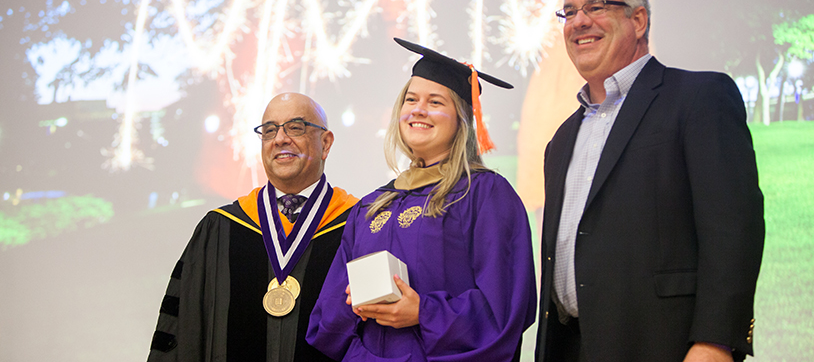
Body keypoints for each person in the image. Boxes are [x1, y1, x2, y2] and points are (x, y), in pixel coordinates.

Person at [535, 0, 765, 362]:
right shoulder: (561, 139)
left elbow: (733, 228)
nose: (578, 22)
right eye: (569, 12)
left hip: (665, 347)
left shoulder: (698, 98)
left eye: (596, 7)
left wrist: (715, 341)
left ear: (638, 20)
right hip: (570, 347)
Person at [306, 38, 537, 362]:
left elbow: (504, 312)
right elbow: (327, 318)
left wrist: (424, 313)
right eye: (410, 99)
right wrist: (354, 308)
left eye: (435, 102)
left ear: (461, 119)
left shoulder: (486, 196)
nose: (418, 110)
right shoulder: (372, 206)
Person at [148, 93, 359, 362]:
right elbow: (184, 330)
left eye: (295, 127)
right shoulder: (220, 228)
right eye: (269, 131)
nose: (280, 139)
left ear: (326, 143)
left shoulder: (359, 224)